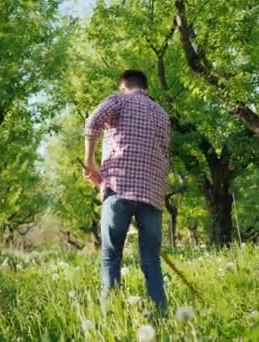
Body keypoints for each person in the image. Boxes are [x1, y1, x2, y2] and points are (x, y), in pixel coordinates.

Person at [83, 70, 171, 310]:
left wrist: (90, 162)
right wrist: (101, 181)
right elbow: (165, 157)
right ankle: (161, 318)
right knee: (152, 262)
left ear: (123, 86)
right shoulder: (162, 114)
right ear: (146, 88)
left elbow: (92, 124)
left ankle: (110, 316)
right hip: (152, 195)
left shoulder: (118, 100)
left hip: (119, 188)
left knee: (111, 257)